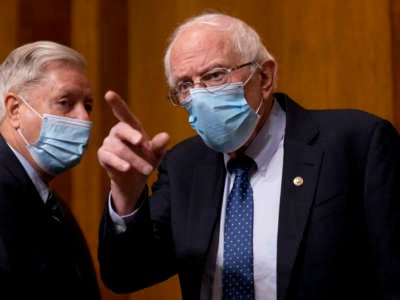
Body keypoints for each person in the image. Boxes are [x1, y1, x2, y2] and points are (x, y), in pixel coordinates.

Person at [97, 12, 400, 300]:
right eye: (185, 86)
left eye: (214, 75)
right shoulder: (184, 166)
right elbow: (126, 275)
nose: (199, 96)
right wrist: (126, 196)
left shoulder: (357, 142)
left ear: (264, 77)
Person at [0, 41, 101, 299]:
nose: (84, 119)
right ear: (14, 110)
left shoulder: (51, 203)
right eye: (65, 102)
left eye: (87, 106)